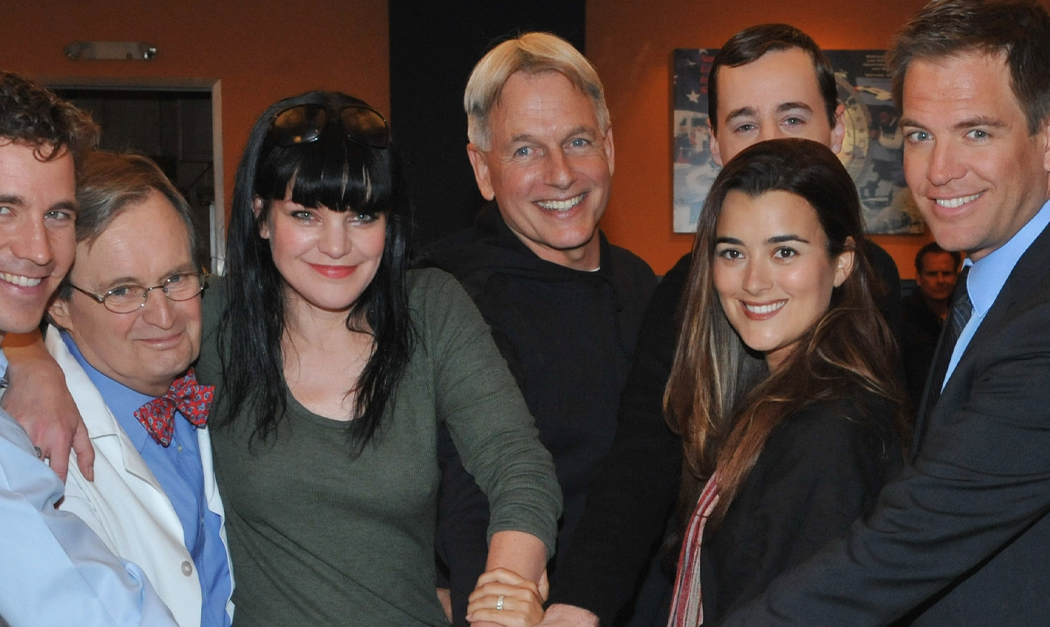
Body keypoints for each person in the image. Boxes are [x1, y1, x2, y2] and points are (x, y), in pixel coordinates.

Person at [716, 1, 1050, 624]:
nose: (939, 172)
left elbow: (906, 543)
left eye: (976, 132)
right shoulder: (1003, 272)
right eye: (920, 135)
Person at [544, 24, 902, 625]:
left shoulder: (871, 296)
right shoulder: (688, 291)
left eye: (792, 119)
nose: (770, 142)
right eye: (744, 125)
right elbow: (642, 460)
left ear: (837, 129)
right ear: (714, 143)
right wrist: (578, 603)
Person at [203, 91, 561, 626]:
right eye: (305, 214)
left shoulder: (429, 308)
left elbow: (518, 465)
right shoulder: (211, 319)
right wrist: (57, 381)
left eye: (362, 216)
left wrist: (506, 595)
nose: (336, 246)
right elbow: (94, 320)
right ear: (261, 216)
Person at [0, 66, 175, 625]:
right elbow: (99, 614)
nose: (40, 249)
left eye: (57, 214)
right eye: (2, 209)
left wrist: (29, 356)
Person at [425, 32, 661, 627]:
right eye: (526, 150)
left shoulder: (646, 288)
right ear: (483, 169)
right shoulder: (445, 298)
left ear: (609, 146)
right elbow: (465, 495)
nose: (561, 174)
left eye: (578, 141)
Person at [665, 138, 907, 625]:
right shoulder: (762, 399)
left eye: (785, 252)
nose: (753, 282)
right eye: (733, 253)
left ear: (842, 263)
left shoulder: (830, 430)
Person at [44, 151, 232, 627]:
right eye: (122, 291)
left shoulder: (228, 366)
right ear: (58, 305)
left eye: (176, 278)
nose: (164, 316)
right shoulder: (40, 445)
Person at [900, 242, 961, 407]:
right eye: (932, 274)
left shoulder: (967, 316)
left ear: (956, 277)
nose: (940, 280)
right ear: (919, 278)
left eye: (946, 273)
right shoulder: (902, 319)